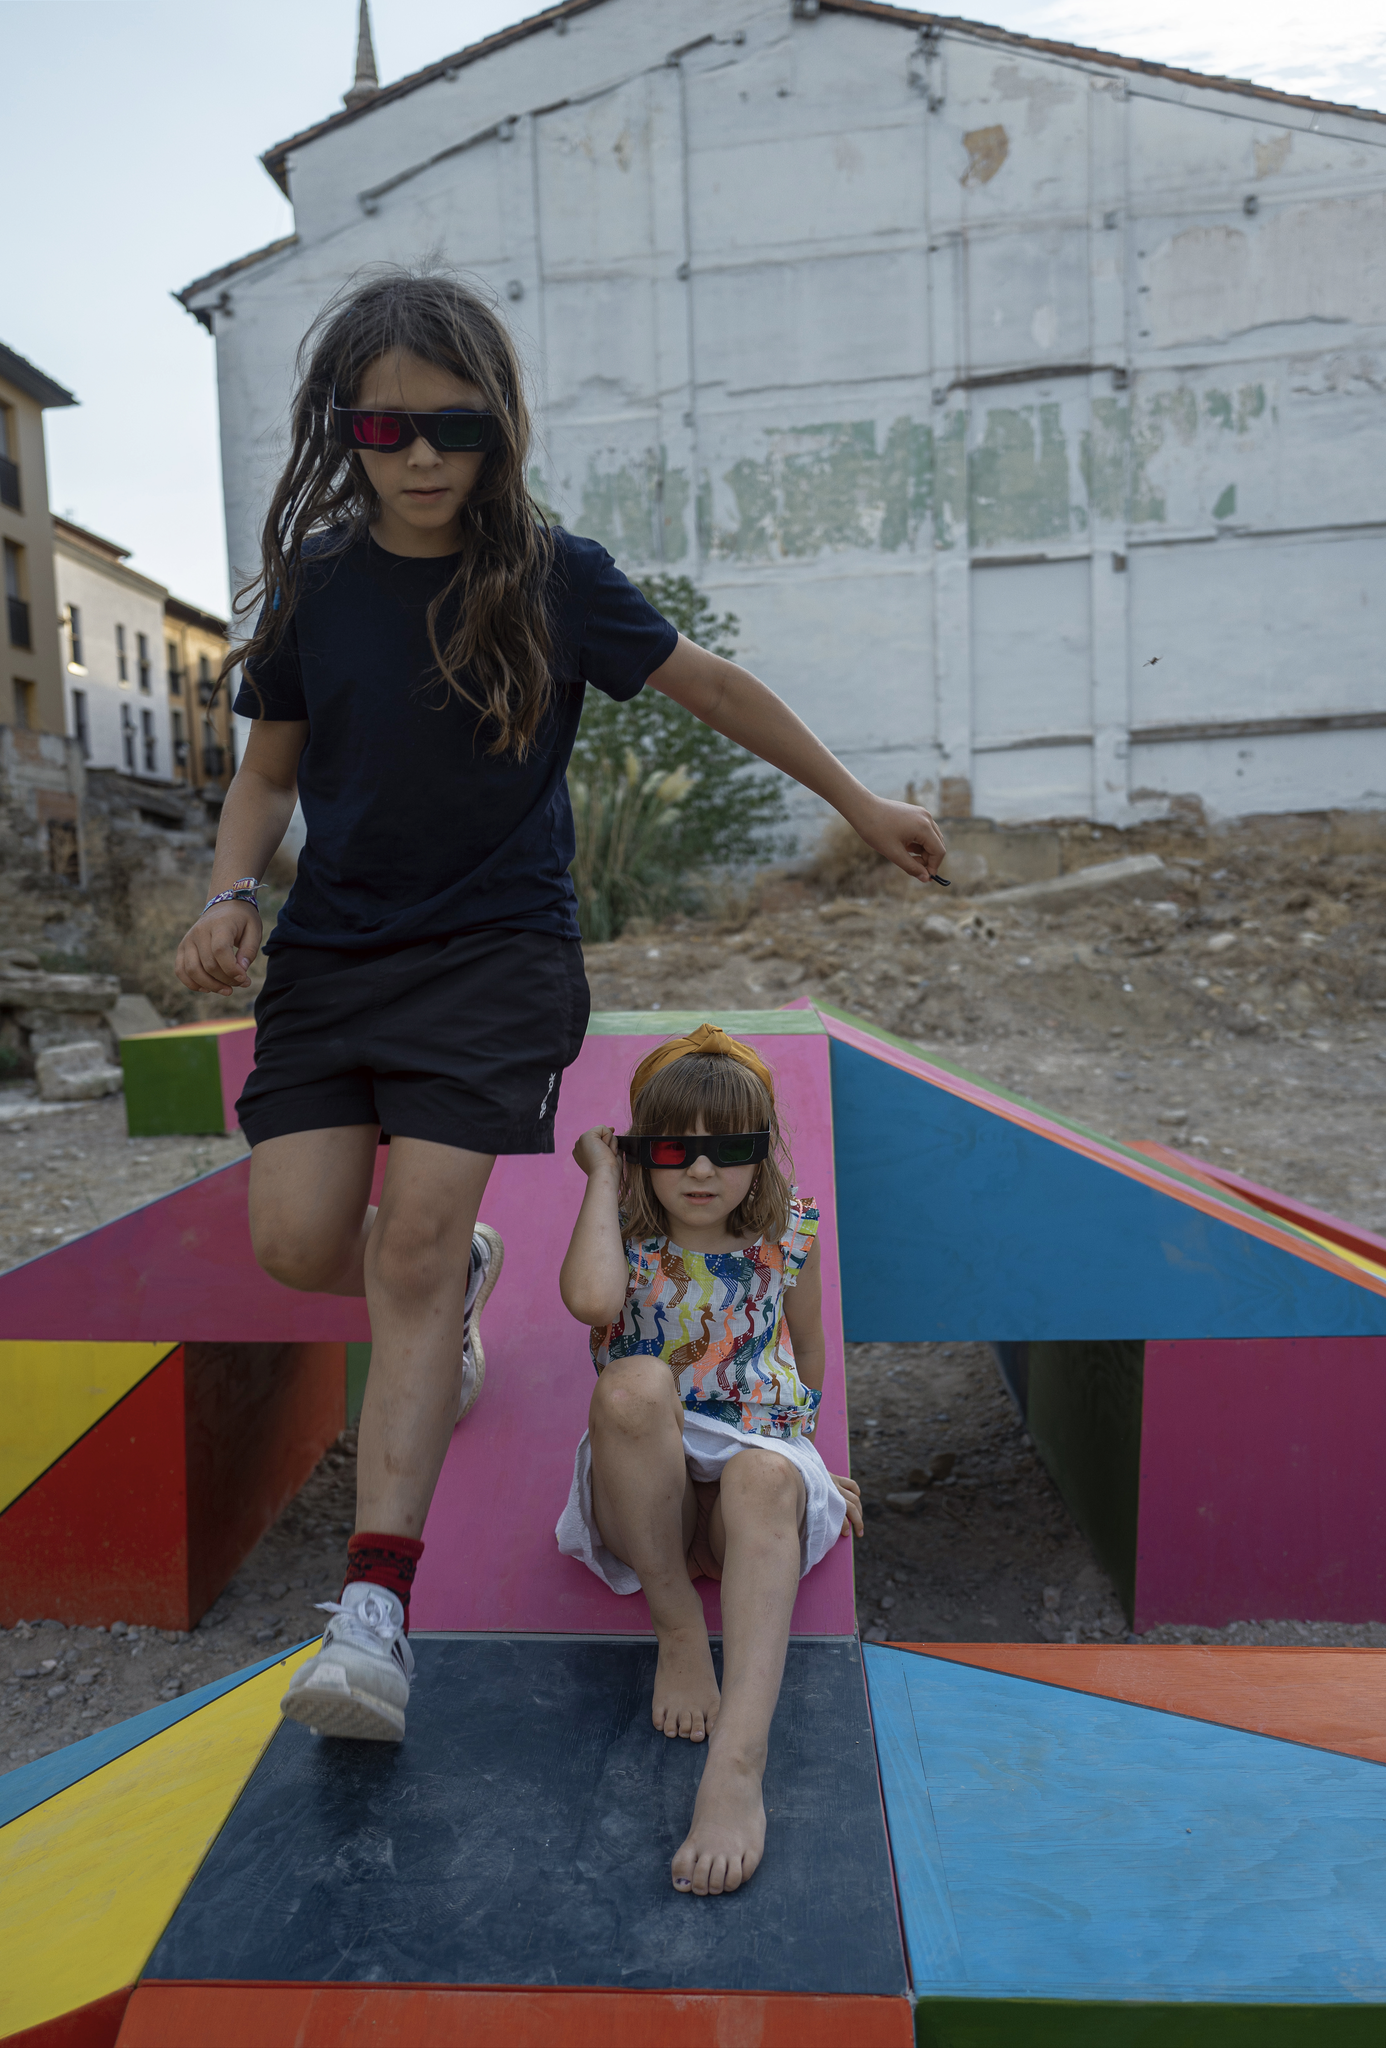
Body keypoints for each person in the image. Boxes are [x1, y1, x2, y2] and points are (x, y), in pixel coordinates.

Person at [172, 267, 942, 1745]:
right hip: (332, 956)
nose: (418, 455)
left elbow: (712, 686)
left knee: (401, 1254)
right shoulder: (319, 586)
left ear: (499, 427)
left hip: (496, 956)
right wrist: (229, 890)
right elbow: (268, 771)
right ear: (343, 428)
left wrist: (857, 803)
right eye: (384, 427)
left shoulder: (550, 576)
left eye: (451, 426)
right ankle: (455, 1277)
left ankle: (373, 1614)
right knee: (297, 1245)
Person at [557, 1024, 863, 1896]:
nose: (700, 1170)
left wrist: (812, 1464)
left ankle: (735, 1768)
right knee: (632, 1384)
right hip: (646, 1494)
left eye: (728, 1148)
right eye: (671, 1149)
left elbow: (808, 1351)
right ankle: (679, 1628)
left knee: (765, 1472)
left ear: (760, 1155)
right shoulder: (623, 1233)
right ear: (638, 1153)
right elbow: (590, 1301)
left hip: (749, 1482)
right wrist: (601, 1178)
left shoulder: (789, 1235)